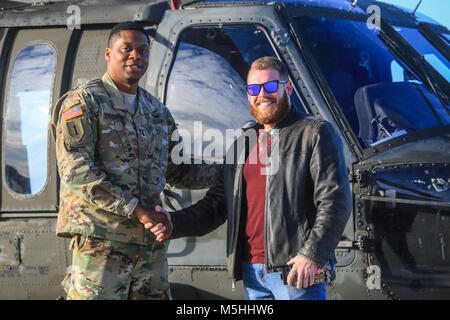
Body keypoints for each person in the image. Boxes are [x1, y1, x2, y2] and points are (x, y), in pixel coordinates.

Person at [147, 56, 352, 300]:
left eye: (270, 86)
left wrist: (312, 255)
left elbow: (335, 201)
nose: (262, 94)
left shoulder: (315, 132)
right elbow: (217, 204)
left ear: (288, 88)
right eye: (254, 89)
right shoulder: (244, 142)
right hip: (252, 274)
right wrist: (174, 223)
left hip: (295, 273)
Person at [50, 21, 217, 300]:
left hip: (149, 247)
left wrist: (238, 168)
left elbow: (178, 170)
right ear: (108, 54)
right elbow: (77, 172)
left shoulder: (157, 111)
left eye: (143, 51)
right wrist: (137, 209)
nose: (135, 57)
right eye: (126, 49)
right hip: (102, 243)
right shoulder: (85, 103)